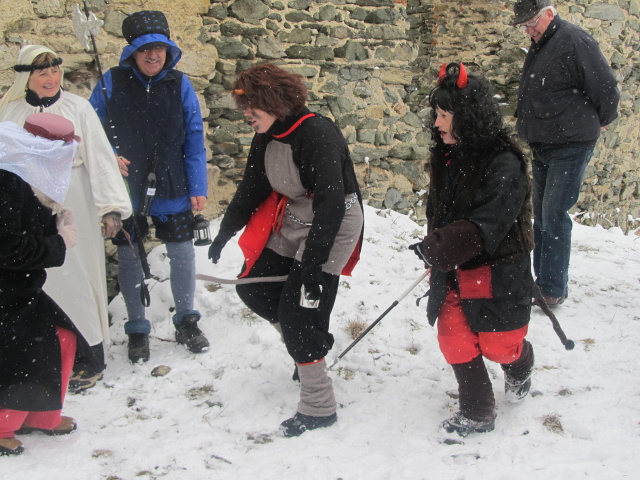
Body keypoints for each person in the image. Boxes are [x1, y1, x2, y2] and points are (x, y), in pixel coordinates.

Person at [207, 63, 364, 437]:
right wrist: (225, 231)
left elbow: (330, 203)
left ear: (274, 102)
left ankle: (319, 405)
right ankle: (308, 344)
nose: (246, 115)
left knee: (298, 310)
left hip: (335, 222)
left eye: (251, 108)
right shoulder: (266, 135)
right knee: (254, 287)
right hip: (295, 217)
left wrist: (311, 266)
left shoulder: (317, 134)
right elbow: (252, 187)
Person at [410, 63, 536, 437]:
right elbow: (441, 211)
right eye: (437, 114)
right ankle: (478, 411)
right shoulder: (447, 155)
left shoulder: (505, 162)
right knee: (453, 338)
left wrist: (443, 245)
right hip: (453, 268)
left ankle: (521, 363)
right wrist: (438, 249)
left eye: (445, 115)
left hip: (497, 269)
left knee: (499, 346)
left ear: (469, 117)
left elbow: (490, 221)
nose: (437, 123)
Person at [0, 45, 133, 392]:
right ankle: (49, 359)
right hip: (26, 209)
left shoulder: (78, 108)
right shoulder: (8, 112)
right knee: (42, 283)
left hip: (74, 202)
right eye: (42, 72)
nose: (50, 78)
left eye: (55, 70)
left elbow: (101, 159)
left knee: (79, 279)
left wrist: (111, 208)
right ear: (26, 76)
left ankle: (89, 358)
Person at [89, 10, 209, 363]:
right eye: (145, 50)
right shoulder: (110, 83)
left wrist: (198, 184)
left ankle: (187, 321)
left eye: (159, 49)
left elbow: (193, 136)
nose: (153, 56)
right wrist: (109, 155)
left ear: (168, 52)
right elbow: (90, 131)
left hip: (172, 183)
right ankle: (137, 329)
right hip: (125, 186)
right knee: (129, 257)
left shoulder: (180, 84)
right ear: (133, 53)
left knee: (183, 254)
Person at [511, 0, 620, 306]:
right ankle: (541, 282)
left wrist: (600, 122)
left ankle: (552, 289)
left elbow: (606, 87)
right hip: (545, 145)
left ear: (549, 12)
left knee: (555, 216)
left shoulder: (575, 41)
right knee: (543, 217)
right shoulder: (542, 44)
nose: (529, 30)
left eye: (532, 22)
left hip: (570, 145)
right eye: (524, 26)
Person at [0, 113, 88, 456]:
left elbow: (25, 227)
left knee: (61, 340)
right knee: (20, 353)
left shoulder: (23, 172)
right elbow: (8, 248)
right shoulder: (7, 182)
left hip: (20, 286)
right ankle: (4, 423)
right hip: (5, 292)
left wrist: (53, 224)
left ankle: (41, 414)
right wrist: (59, 242)